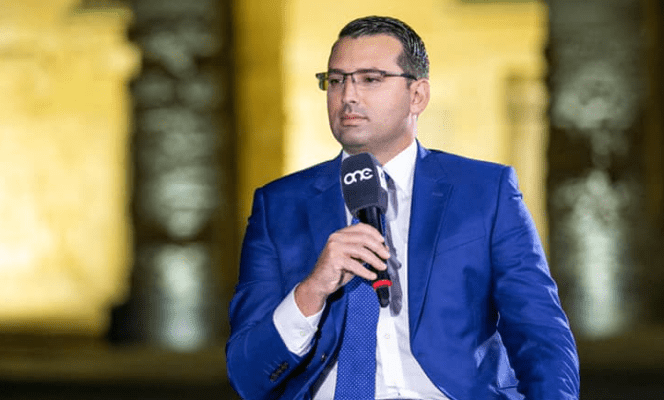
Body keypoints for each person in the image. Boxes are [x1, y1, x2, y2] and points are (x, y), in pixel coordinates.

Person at [226, 15, 579, 400]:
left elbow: (542, 337)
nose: (348, 96)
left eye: (370, 79)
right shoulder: (278, 205)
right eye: (336, 80)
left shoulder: (485, 191)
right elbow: (247, 375)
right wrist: (311, 291)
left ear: (418, 95)